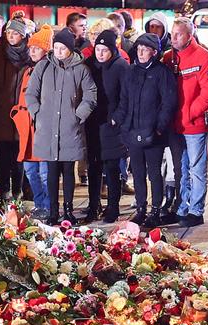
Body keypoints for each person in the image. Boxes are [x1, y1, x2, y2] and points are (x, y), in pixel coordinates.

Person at [26, 28, 98, 225]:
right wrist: (37, 112)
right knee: (51, 171)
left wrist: (78, 115)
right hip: (48, 127)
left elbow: (90, 95)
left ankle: (68, 210)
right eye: (55, 47)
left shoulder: (81, 69)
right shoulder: (43, 67)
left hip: (69, 128)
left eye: (62, 48)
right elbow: (31, 92)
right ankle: (53, 211)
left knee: (68, 171)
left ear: (70, 49)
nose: (58, 51)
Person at [118, 31, 178, 229]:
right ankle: (141, 208)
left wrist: (159, 127)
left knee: (154, 173)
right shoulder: (131, 71)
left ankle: (155, 210)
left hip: (153, 133)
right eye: (139, 49)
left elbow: (168, 102)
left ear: (154, 52)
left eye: (146, 50)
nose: (141, 52)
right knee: (137, 172)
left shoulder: (162, 72)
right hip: (132, 131)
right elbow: (124, 99)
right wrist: (123, 124)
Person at [164, 19, 208, 228]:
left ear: (189, 35)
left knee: (196, 168)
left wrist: (188, 114)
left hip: (194, 124)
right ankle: (182, 208)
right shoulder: (169, 58)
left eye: (179, 34)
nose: (174, 37)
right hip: (175, 124)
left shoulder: (203, 57)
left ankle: (196, 211)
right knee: (181, 168)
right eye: (172, 33)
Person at [0, 18, 33, 205]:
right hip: (2, 114)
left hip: (22, 113)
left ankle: (18, 190)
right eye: (9, 33)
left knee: (20, 155)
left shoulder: (28, 53)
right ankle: (4, 191)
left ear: (23, 36)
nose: (11, 37)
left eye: (15, 33)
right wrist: (1, 101)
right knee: (4, 155)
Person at [84, 27, 130, 223]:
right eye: (97, 50)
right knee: (93, 166)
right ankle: (93, 205)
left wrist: (116, 117)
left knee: (112, 168)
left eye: (104, 50)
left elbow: (126, 97)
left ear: (112, 49)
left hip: (111, 125)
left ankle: (113, 207)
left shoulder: (121, 67)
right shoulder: (89, 65)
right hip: (93, 122)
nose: (100, 54)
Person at [13, 26, 54, 214]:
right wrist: (16, 114)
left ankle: (49, 205)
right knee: (30, 171)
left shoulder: (51, 71)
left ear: (46, 49)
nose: (32, 51)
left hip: (42, 128)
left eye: (37, 48)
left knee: (45, 173)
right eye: (31, 48)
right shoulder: (27, 71)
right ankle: (39, 204)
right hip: (26, 128)